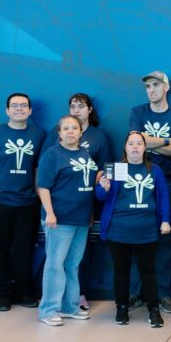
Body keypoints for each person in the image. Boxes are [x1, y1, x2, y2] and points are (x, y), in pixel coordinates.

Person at [129, 70, 171, 314]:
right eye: (148, 86)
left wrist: (148, 142)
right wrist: (167, 141)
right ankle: (136, 292)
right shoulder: (138, 112)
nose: (151, 90)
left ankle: (164, 293)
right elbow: (135, 142)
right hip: (139, 182)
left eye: (156, 85)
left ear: (166, 88)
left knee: (165, 240)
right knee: (137, 238)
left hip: (168, 182)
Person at [0, 93, 48, 311]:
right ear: (7, 110)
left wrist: (36, 196)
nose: (19, 109)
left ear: (30, 110)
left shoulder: (38, 134)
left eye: (24, 105)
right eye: (14, 106)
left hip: (27, 204)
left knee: (23, 253)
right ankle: (2, 297)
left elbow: (38, 169)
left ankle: (25, 294)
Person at [95, 131, 171, 327]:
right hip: (118, 230)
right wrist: (103, 186)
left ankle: (153, 310)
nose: (135, 147)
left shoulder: (154, 170)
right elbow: (102, 197)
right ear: (125, 147)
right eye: (131, 143)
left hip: (147, 231)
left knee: (148, 271)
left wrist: (165, 220)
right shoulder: (116, 169)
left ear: (145, 147)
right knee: (121, 271)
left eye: (139, 143)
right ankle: (121, 307)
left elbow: (163, 196)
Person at [36, 116, 97, 326]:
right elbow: (42, 186)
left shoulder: (85, 154)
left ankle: (70, 307)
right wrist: (49, 213)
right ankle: (48, 310)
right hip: (59, 219)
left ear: (81, 133)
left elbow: (87, 181)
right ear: (59, 133)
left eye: (75, 128)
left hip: (81, 220)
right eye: (66, 128)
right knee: (55, 265)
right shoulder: (52, 155)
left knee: (72, 265)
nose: (71, 131)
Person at [67, 92, 112, 310]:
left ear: (90, 110)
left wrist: (91, 194)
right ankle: (56, 296)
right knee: (58, 254)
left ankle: (79, 293)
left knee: (80, 252)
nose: (76, 109)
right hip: (62, 203)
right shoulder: (58, 133)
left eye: (81, 105)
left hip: (87, 202)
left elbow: (103, 170)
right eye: (73, 106)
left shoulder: (98, 137)